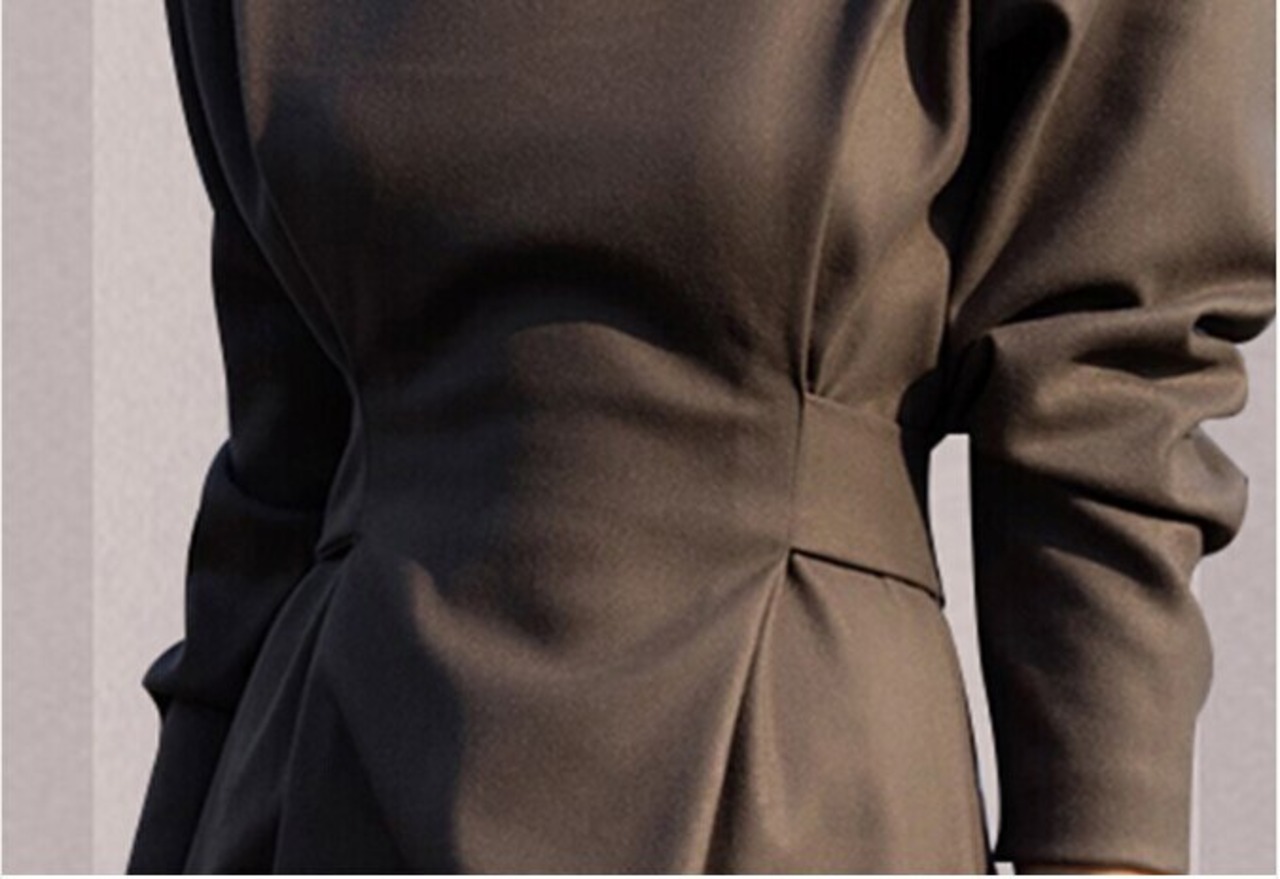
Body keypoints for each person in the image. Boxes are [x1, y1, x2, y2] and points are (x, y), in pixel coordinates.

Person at [127, 0, 1275, 873]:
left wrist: (1103, 838)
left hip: (800, 779)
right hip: (333, 783)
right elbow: (282, 457)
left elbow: (1108, 380)